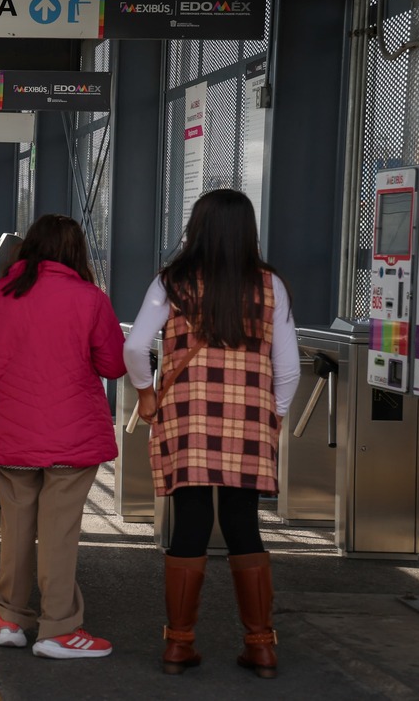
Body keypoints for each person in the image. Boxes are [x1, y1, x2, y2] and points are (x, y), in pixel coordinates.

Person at [124, 188, 299, 679]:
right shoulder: (271, 286)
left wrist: (145, 393)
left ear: (196, 227)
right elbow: (286, 369)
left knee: (192, 517)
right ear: (248, 230)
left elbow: (136, 347)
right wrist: (276, 415)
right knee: (244, 519)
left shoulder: (172, 282)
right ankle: (261, 646)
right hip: (250, 416)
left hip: (187, 414)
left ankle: (179, 645)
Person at [0, 214, 125, 660]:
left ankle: (9, 619)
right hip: (73, 438)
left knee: (15, 530)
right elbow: (112, 365)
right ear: (75, 252)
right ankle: (58, 630)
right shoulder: (91, 299)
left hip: (11, 438)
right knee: (58, 532)